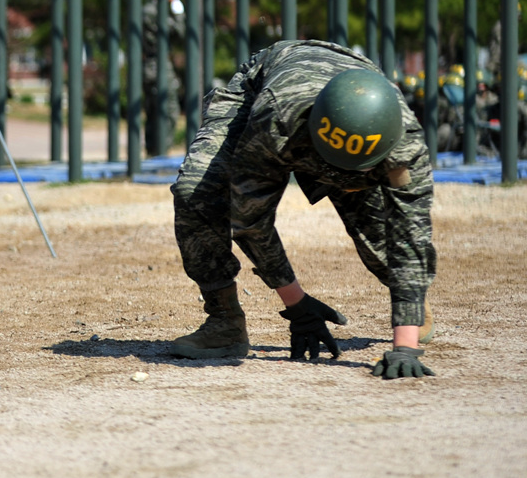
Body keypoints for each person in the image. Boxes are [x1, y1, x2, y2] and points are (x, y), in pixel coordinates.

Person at [168, 40, 435, 380]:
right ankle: (224, 320)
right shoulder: (274, 118)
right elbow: (250, 220)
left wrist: (405, 345)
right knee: (197, 192)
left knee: (380, 236)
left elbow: (410, 233)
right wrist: (297, 305)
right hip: (270, 95)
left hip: (348, 120)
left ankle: (411, 305)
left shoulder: (403, 139)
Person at [143, 0, 185, 156]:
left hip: (149, 65)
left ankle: (153, 151)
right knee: (169, 110)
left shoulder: (147, 11)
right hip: (157, 65)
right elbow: (180, 33)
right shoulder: (155, 13)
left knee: (153, 112)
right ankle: (161, 151)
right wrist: (178, 15)